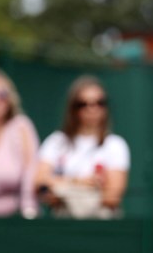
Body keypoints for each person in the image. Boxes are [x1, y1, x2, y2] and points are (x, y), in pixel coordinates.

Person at [35, 75, 130, 219]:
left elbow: (112, 197)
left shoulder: (115, 145)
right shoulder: (56, 141)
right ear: (73, 108)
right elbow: (39, 183)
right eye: (83, 104)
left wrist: (62, 188)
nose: (92, 109)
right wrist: (79, 182)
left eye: (99, 103)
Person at [0, 68, 40, 219]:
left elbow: (30, 173)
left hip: (13, 220)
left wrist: (29, 212)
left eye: (2, 95)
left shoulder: (21, 127)